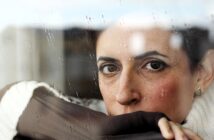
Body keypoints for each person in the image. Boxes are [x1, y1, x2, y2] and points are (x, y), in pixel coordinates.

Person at [1, 16, 214, 140]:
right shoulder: (95, 117)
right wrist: (84, 130)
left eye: (153, 65)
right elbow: (8, 104)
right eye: (109, 68)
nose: (122, 94)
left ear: (203, 73)